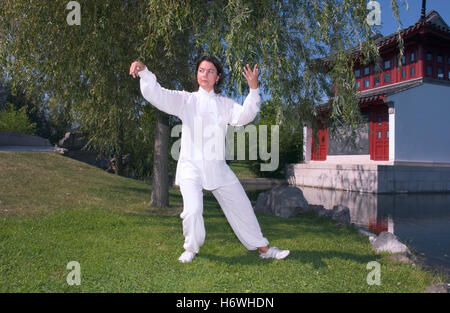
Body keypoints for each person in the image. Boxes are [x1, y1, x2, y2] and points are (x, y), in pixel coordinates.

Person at [129, 55, 289, 263]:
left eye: (210, 71)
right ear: (197, 74)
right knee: (193, 211)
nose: (205, 75)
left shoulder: (225, 104)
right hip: (190, 167)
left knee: (242, 207)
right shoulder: (186, 100)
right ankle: (191, 248)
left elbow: (244, 117)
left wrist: (253, 89)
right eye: (201, 70)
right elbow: (158, 94)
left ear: (217, 77)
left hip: (217, 167)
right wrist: (144, 71)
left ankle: (264, 249)